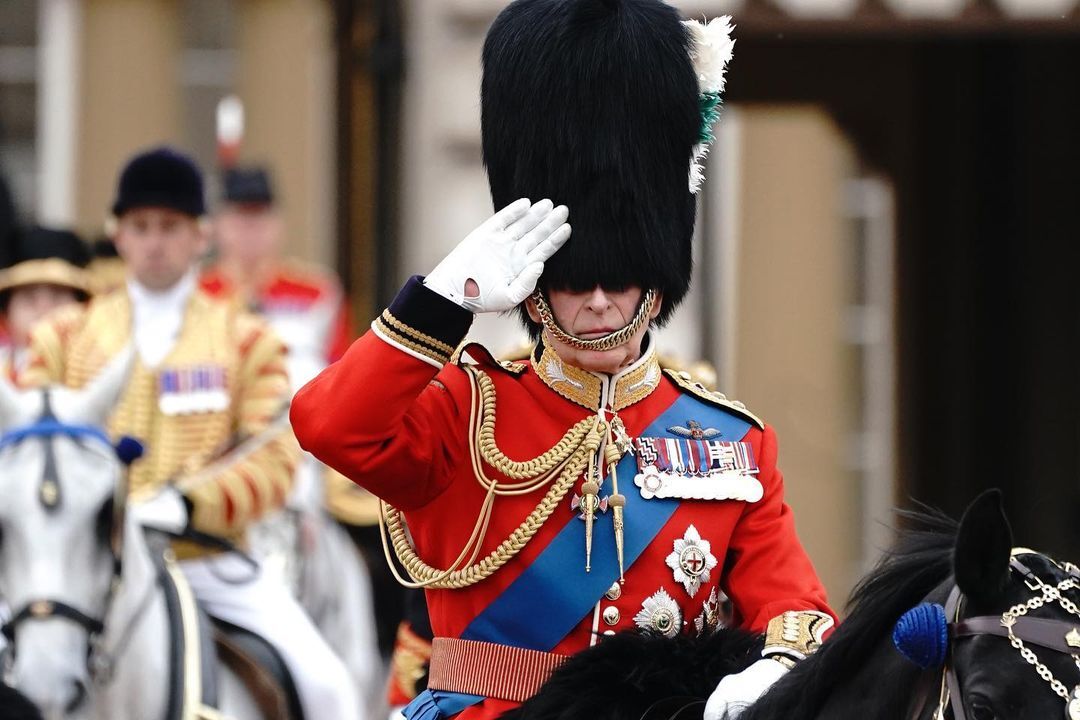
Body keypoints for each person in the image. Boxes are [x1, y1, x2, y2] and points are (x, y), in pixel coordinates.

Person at [290, 2, 835, 720]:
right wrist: (441, 302)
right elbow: (329, 425)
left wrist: (774, 668)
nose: (601, 301)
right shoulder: (468, 408)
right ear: (541, 281)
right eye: (577, 278)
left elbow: (798, 609)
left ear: (658, 270)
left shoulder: (736, 444)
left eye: (622, 277)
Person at [22, 146, 360, 720]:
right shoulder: (61, 338)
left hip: (208, 559)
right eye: (141, 226)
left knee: (332, 690)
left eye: (170, 226)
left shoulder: (249, 339)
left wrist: (187, 505)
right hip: (81, 566)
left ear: (200, 236)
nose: (155, 241)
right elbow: (26, 448)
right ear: (118, 234)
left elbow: (276, 456)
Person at [0, 226, 90, 379]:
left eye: (58, 295)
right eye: (29, 298)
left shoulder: (106, 370)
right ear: (6, 314)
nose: (45, 309)